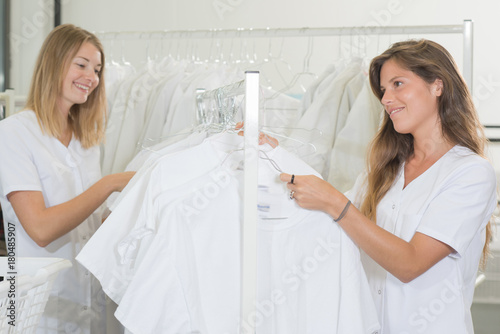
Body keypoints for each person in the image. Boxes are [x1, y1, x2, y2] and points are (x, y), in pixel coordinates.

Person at [280, 39, 497, 334]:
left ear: (438, 85)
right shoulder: (384, 167)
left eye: (397, 84)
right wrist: (271, 160)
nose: (385, 99)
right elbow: (324, 219)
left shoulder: (471, 173)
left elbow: (411, 263)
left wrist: (335, 203)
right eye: (383, 90)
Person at [0, 24, 135, 333]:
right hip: (41, 305)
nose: (92, 76)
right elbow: (40, 229)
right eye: (82, 64)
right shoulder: (14, 133)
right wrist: (110, 184)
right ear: (54, 63)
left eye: (98, 69)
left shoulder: (86, 141)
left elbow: (89, 221)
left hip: (87, 300)